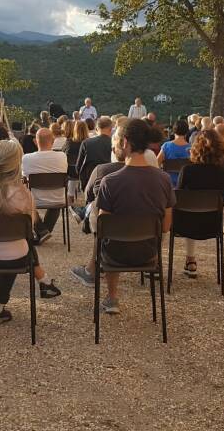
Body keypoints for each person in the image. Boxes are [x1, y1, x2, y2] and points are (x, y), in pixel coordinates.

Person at [70, 119, 174, 314]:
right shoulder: (164, 179)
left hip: (114, 256)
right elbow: (166, 226)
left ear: (125, 143)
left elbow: (103, 227)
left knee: (111, 240)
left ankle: (112, 297)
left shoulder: (110, 181)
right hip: (149, 254)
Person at [0, 140, 62, 325]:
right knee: (18, 245)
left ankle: (2, 306)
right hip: (14, 256)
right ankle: (40, 283)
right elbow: (29, 229)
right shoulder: (23, 193)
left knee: (13, 244)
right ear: (16, 163)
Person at [174, 129, 224, 277]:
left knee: (184, 212)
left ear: (195, 148)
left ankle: (190, 258)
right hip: (212, 224)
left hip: (184, 224)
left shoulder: (187, 170)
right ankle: (190, 259)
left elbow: (178, 198)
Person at [21, 128, 69, 244]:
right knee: (56, 200)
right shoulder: (62, 156)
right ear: (53, 141)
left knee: (24, 198)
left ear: (35, 142)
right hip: (58, 199)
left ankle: (42, 231)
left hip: (34, 200)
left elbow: (24, 178)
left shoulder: (27, 158)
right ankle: (44, 231)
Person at [77, 116, 113, 188]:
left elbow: (78, 166)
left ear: (96, 129)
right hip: (110, 181)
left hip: (90, 181)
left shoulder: (86, 143)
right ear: (111, 129)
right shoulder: (115, 144)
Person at [157, 120, 192, 185]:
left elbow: (156, 163)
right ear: (186, 132)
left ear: (174, 130)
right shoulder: (191, 148)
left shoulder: (166, 146)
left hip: (168, 183)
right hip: (185, 184)